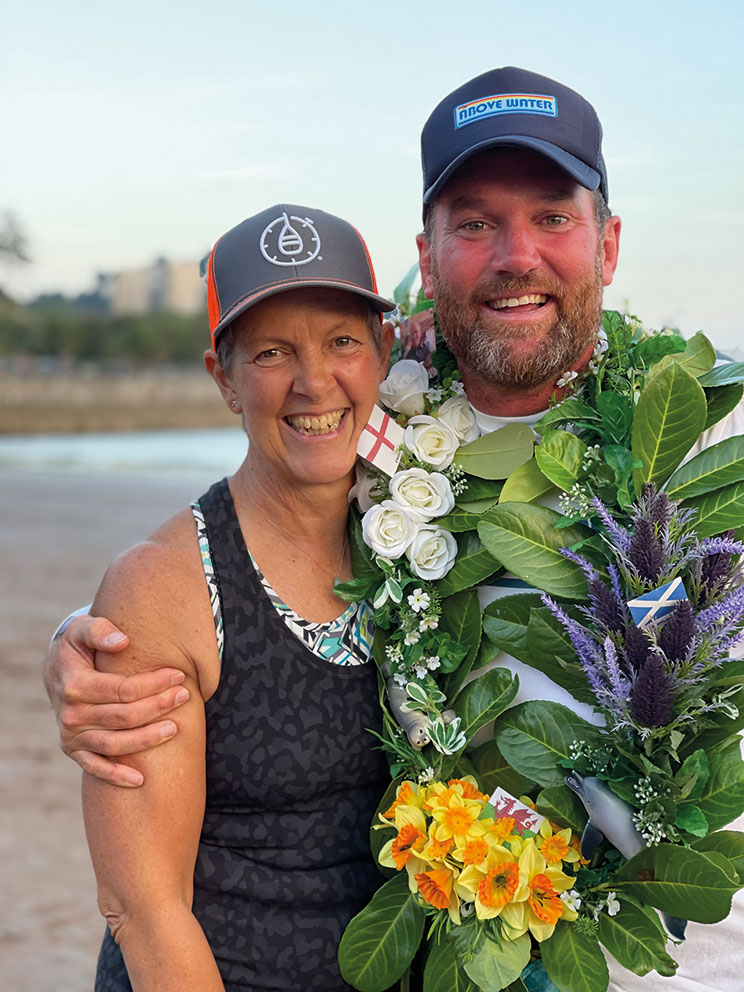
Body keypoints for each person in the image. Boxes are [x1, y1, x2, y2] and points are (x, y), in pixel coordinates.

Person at [45, 68, 744, 990]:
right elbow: (245, 545)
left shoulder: (698, 443)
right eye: (475, 222)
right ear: (432, 249)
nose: (515, 255)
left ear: (608, 244)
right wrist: (94, 641)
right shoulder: (392, 431)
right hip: (449, 942)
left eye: (552, 216)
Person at [77, 203, 395, 991]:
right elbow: (143, 906)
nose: (314, 381)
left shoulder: (423, 530)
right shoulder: (162, 585)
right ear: (223, 377)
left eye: (342, 341)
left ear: (384, 353)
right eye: (272, 352)